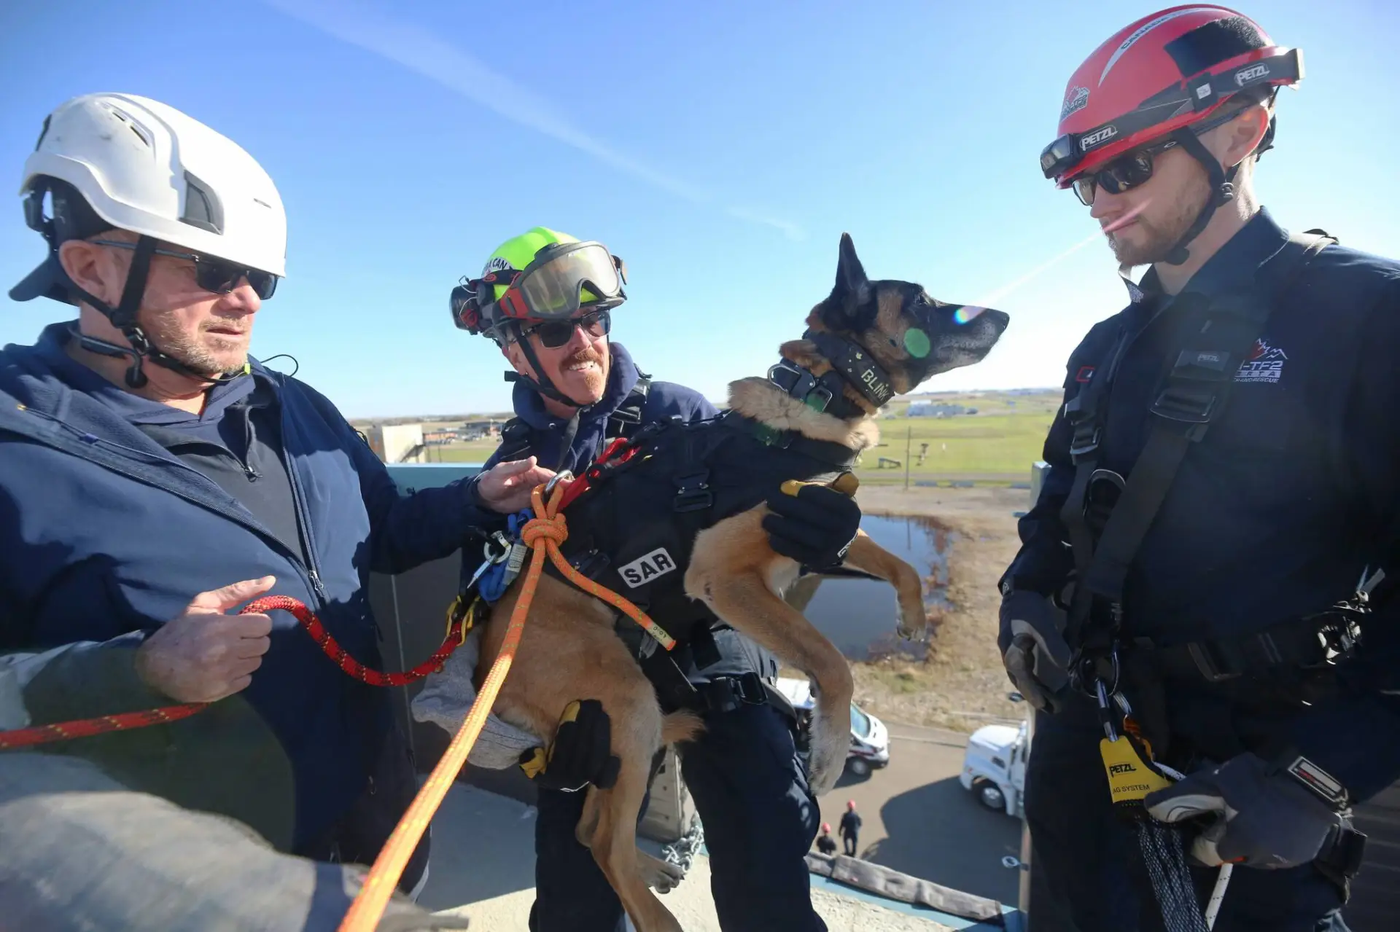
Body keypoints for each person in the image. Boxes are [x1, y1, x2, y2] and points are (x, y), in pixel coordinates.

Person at [0, 93, 601, 917]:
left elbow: (382, 531)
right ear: (90, 267)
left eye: (260, 277)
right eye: (212, 271)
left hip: (383, 847)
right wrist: (135, 671)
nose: (247, 299)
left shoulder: (296, 409)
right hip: (205, 896)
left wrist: (474, 499)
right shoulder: (17, 447)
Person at [999, 7, 1400, 931]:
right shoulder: (1104, 347)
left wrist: (1320, 772)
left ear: (1241, 129)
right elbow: (1061, 500)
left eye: (1126, 167)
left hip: (1249, 787)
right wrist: (1029, 586)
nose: (1099, 201)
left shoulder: (1362, 320)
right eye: (1082, 181)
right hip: (1088, 755)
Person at [437, 226, 864, 932]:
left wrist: (822, 540)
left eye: (594, 320)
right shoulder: (510, 474)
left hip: (708, 645)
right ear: (514, 349)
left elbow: (761, 538)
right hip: (592, 675)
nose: (585, 341)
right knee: (573, 892)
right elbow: (497, 620)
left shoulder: (682, 415)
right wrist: (533, 741)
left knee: (766, 839)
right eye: (555, 330)